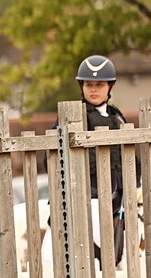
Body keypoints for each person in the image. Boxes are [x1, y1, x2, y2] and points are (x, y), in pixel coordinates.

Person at [50, 54, 130, 260]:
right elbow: (52, 159)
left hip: (119, 196)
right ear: (82, 87)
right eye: (89, 85)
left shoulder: (116, 116)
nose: (93, 89)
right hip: (87, 197)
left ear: (109, 87)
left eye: (99, 85)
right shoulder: (73, 116)